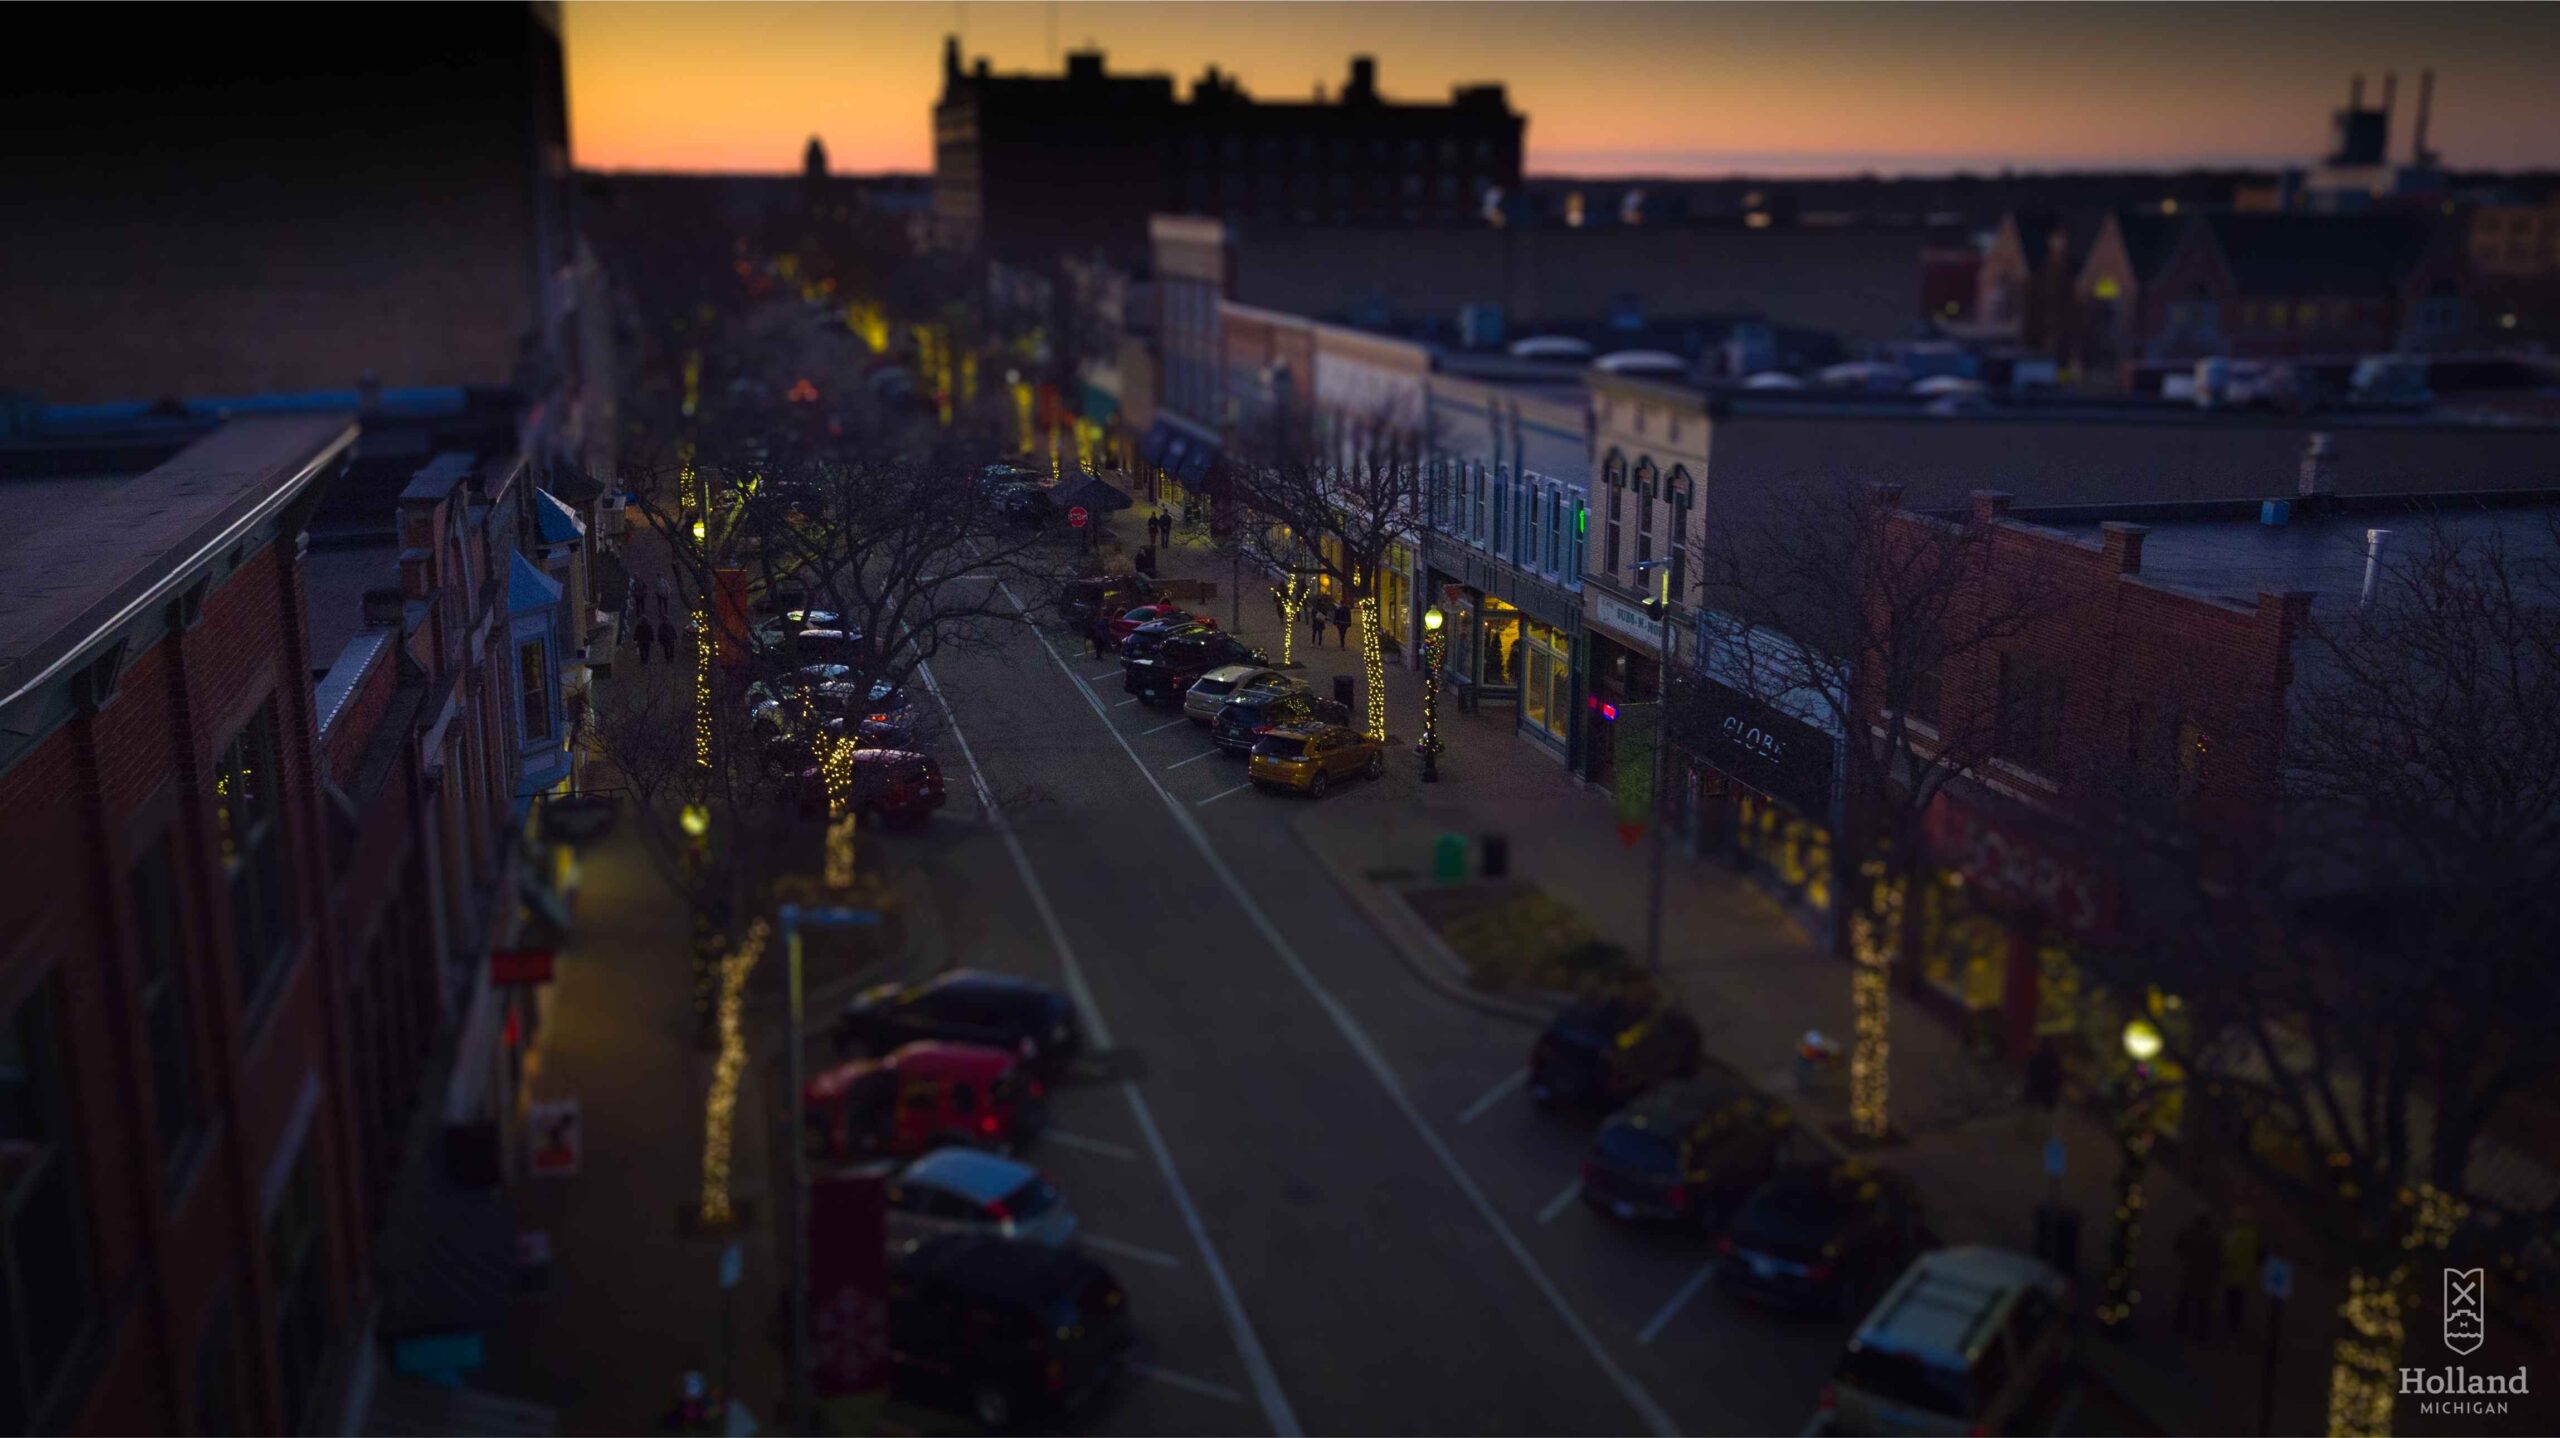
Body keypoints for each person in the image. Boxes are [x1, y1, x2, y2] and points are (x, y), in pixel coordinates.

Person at [2173, 1210, 2221, 1340]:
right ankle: (2201, 1332)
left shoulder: (2190, 1234)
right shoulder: (2214, 1239)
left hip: (2190, 1272)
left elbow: (2177, 1244)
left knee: (2185, 1299)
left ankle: (2181, 1326)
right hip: (2206, 1276)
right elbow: (2219, 1259)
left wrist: (2185, 1257)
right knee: (2203, 1305)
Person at [2222, 1207, 2262, 1335]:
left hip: (2231, 1273)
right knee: (2240, 1299)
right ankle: (2237, 1324)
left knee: (2231, 1299)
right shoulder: (2253, 1235)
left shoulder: (2234, 1235)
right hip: (2246, 1273)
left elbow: (2227, 1254)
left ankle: (2231, 1324)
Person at [2022, 1037, 2063, 1137]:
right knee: (2049, 1114)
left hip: (2037, 1087)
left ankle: (2029, 1131)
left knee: (2032, 1111)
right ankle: (2048, 1133)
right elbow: (2059, 1074)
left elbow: (2030, 1072)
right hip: (2049, 1089)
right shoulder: (2055, 1057)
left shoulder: (2036, 1056)